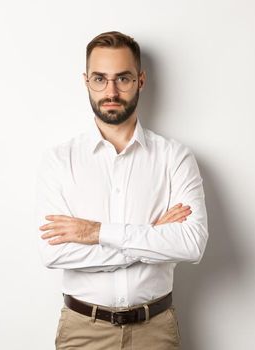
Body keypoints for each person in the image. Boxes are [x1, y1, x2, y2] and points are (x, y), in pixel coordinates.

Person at [35, 31, 209, 350]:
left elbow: (191, 244)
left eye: (123, 78)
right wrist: (151, 236)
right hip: (83, 332)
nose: (111, 91)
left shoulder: (175, 157)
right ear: (87, 81)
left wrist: (97, 232)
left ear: (140, 80)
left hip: (156, 331)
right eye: (100, 79)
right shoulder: (60, 160)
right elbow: (53, 252)